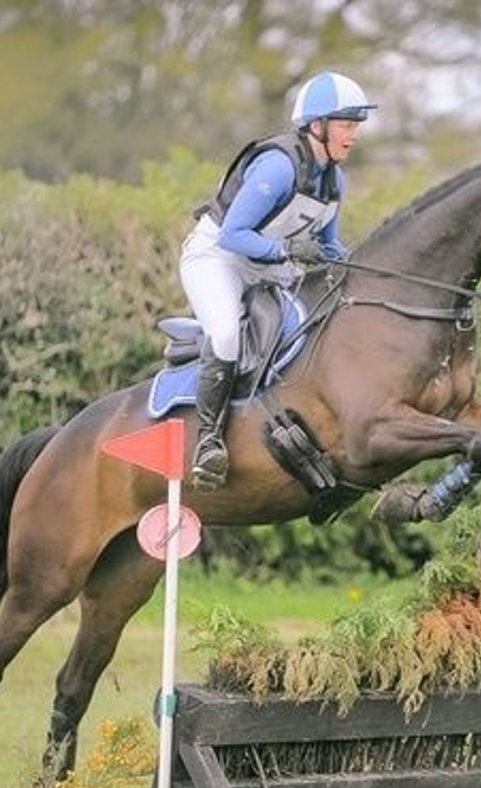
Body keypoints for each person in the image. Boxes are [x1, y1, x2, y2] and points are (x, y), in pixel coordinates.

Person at [178, 71, 376, 490]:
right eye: (346, 124)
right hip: (218, 259)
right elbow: (233, 235)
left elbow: (328, 245)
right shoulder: (279, 166)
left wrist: (364, 267)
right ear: (316, 125)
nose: (353, 134)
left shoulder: (333, 180)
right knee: (228, 333)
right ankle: (208, 441)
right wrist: (286, 252)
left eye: (356, 125)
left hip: (270, 268)